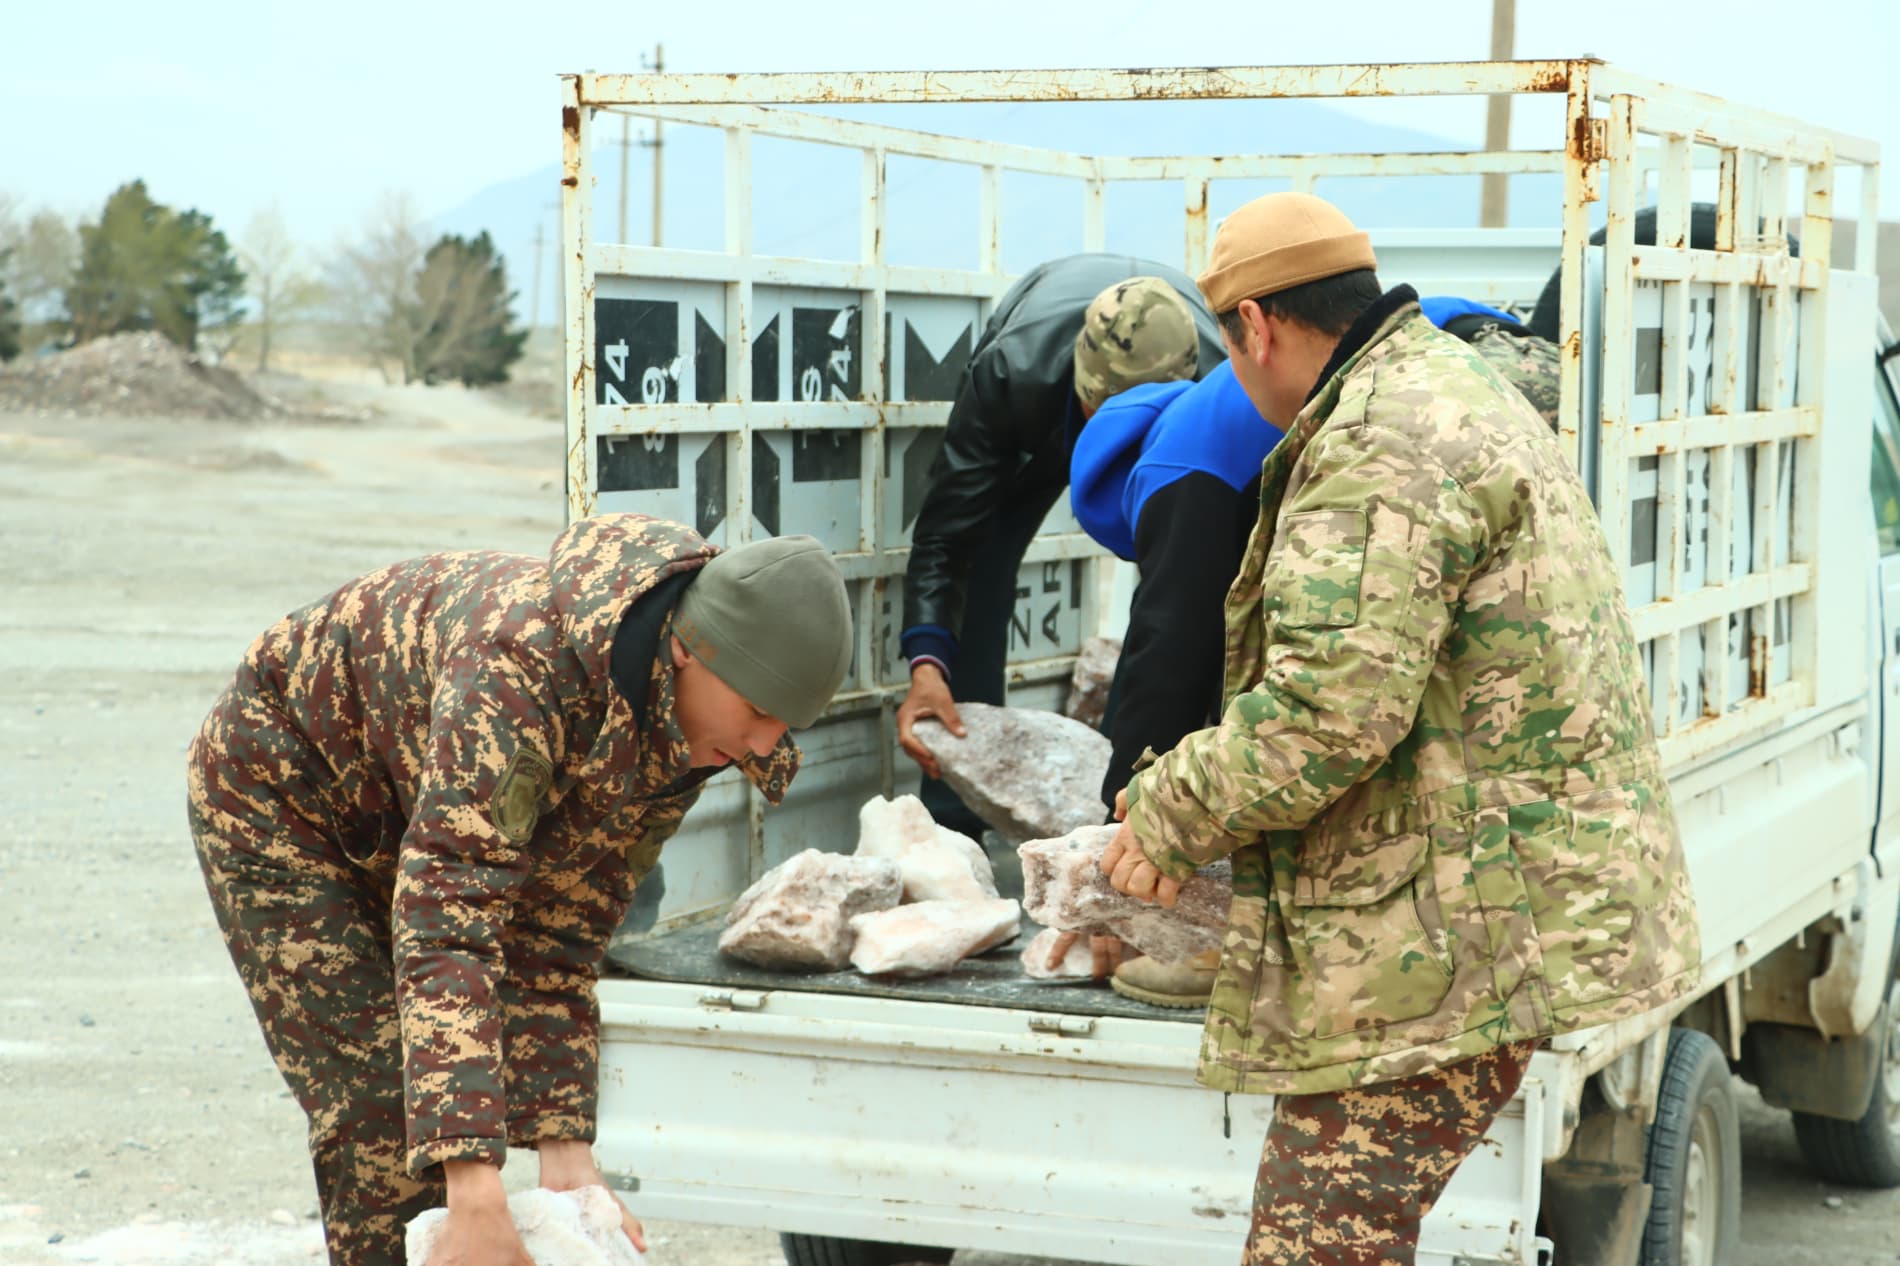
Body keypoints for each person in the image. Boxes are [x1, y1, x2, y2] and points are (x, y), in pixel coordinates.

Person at [1099, 193, 1702, 1265]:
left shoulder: (1379, 442)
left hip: (1475, 932)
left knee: (1315, 1245)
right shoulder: (1441, 383)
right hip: (1498, 902)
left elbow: (1329, 711)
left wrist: (1163, 810)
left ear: (1256, 327)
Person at [186, 515, 852, 1266]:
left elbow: (561, 929)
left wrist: (565, 1148)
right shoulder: (520, 669)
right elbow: (450, 918)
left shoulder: (685, 732)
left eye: (782, 725)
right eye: (759, 713)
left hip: (412, 815)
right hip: (286, 796)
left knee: (445, 1110)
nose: (764, 746)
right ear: (686, 652)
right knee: (382, 1110)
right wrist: (474, 1182)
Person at [1065, 296, 1561, 1005]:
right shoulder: (1211, 418)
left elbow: (1166, 663)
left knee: (1337, 690)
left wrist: (1108, 862)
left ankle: (1257, 933)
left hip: (1475, 384)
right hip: (1517, 363)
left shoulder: (1177, 477)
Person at [894, 256, 1225, 837]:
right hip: (1040, 415)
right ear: (1089, 396)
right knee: (986, 552)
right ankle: (954, 824)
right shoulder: (1011, 373)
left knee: (1179, 580)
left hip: (1181, 425)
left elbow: (1193, 595)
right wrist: (927, 664)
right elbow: (948, 537)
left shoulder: (1222, 387)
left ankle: (1118, 805)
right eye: (1112, 423)